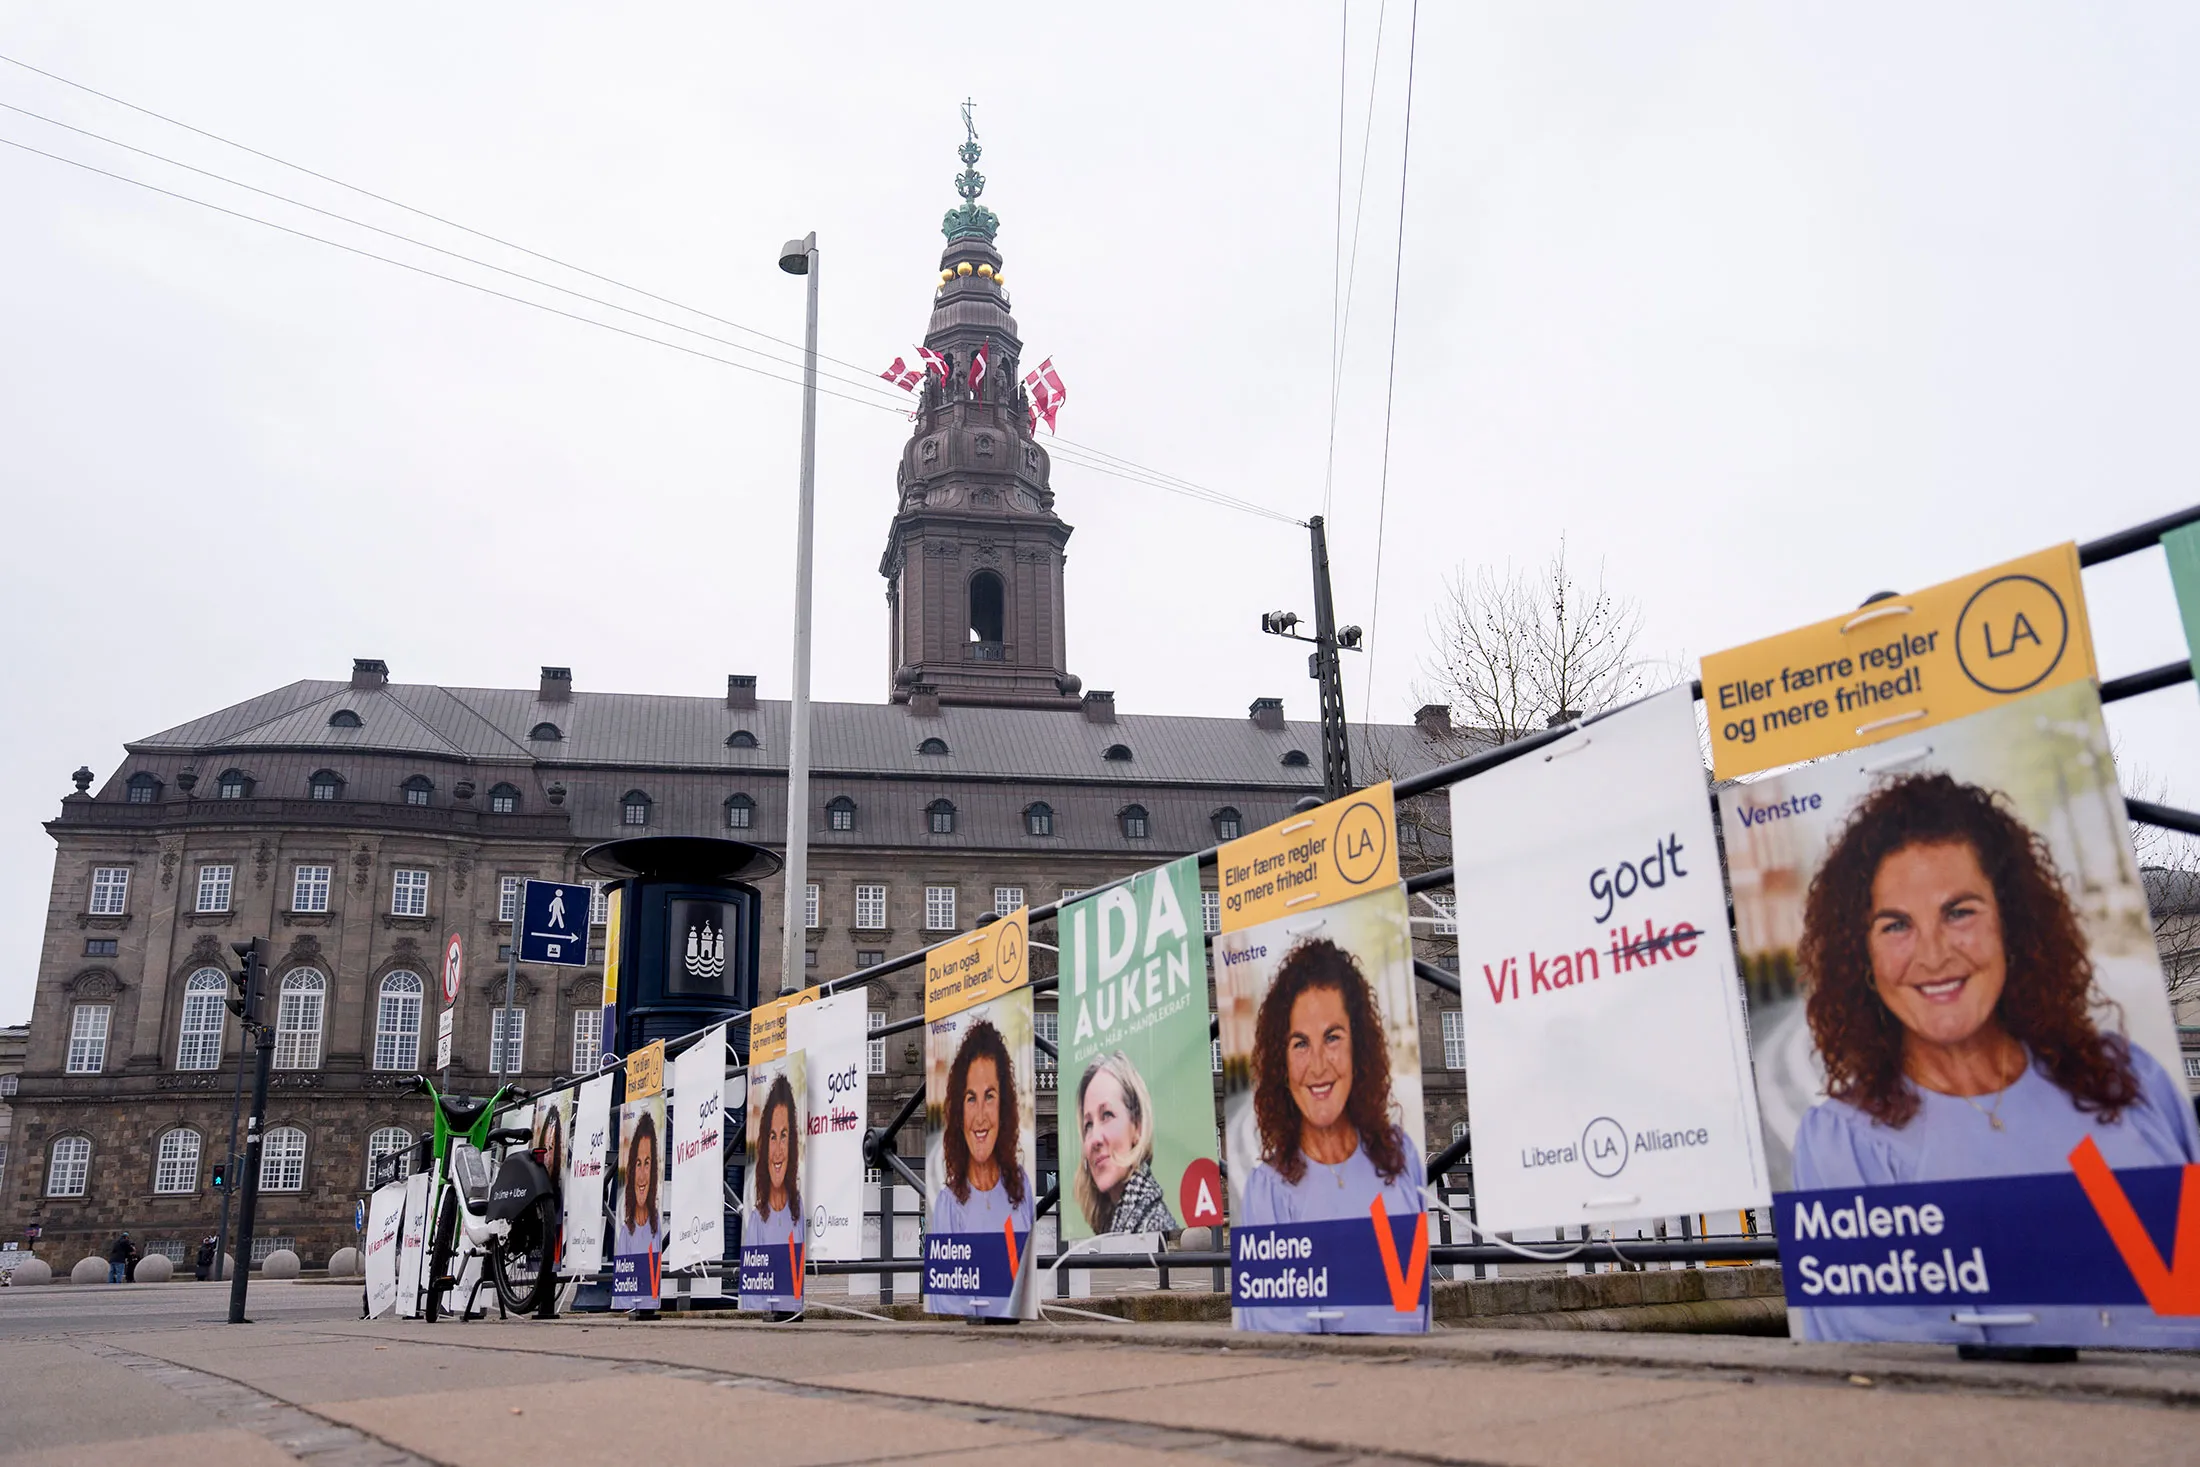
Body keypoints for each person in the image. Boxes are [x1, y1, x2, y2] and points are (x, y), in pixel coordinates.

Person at [1789, 773, 2200, 1346]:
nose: (1933, 954)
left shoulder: (2128, 1077)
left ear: (2013, 922)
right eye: (1897, 925)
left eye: (1959, 912)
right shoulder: (1847, 1142)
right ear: (1861, 954)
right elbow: (1897, 1382)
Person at [1240, 937, 1423, 1333]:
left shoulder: (1401, 1156)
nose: (1319, 1065)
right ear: (1281, 1061)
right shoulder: (1267, 1191)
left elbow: (1413, 1311)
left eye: (1333, 1036)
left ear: (1359, 1047)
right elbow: (1271, 1344)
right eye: (1300, 1043)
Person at [1073, 1051, 1178, 1236]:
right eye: (1088, 1124)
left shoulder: (1152, 1222)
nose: (1095, 1139)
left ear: (1137, 1126)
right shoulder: (1111, 1217)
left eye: (1107, 1115)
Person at [745, 1073, 805, 1250]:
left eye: (783, 1136)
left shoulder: (799, 1209)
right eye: (772, 1137)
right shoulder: (756, 1221)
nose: (778, 1150)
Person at [613, 1110, 661, 1260]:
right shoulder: (625, 1232)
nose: (641, 1175)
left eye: (647, 1163)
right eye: (638, 1163)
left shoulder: (656, 1223)